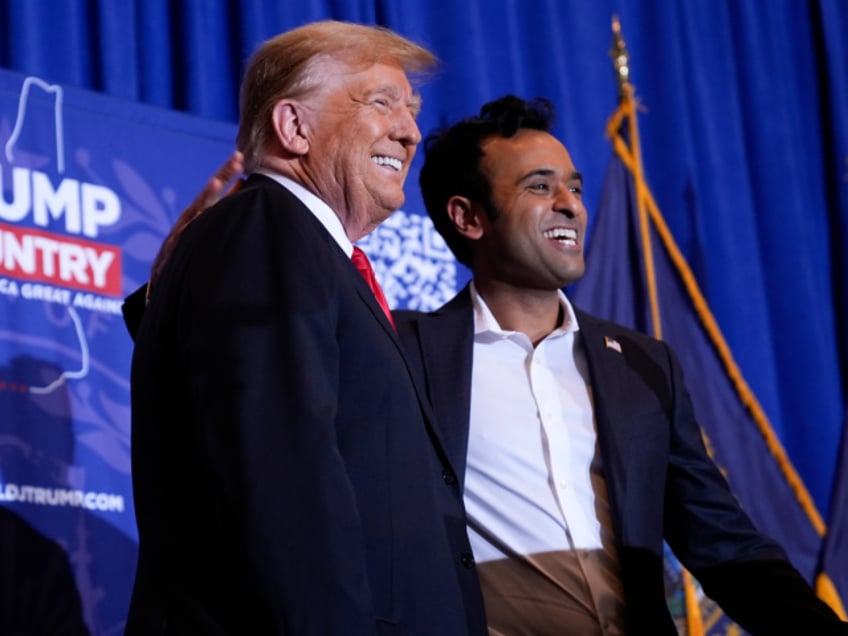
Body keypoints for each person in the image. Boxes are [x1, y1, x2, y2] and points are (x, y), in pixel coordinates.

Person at [393, 95, 848, 635]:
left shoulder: (642, 365)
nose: (571, 205)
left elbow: (723, 544)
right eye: (540, 186)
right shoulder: (403, 354)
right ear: (468, 217)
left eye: (575, 187)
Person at [126, 21, 486, 635]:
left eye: (413, 109)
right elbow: (283, 484)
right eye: (382, 102)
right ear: (294, 127)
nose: (410, 131)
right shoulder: (267, 228)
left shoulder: (306, 251)